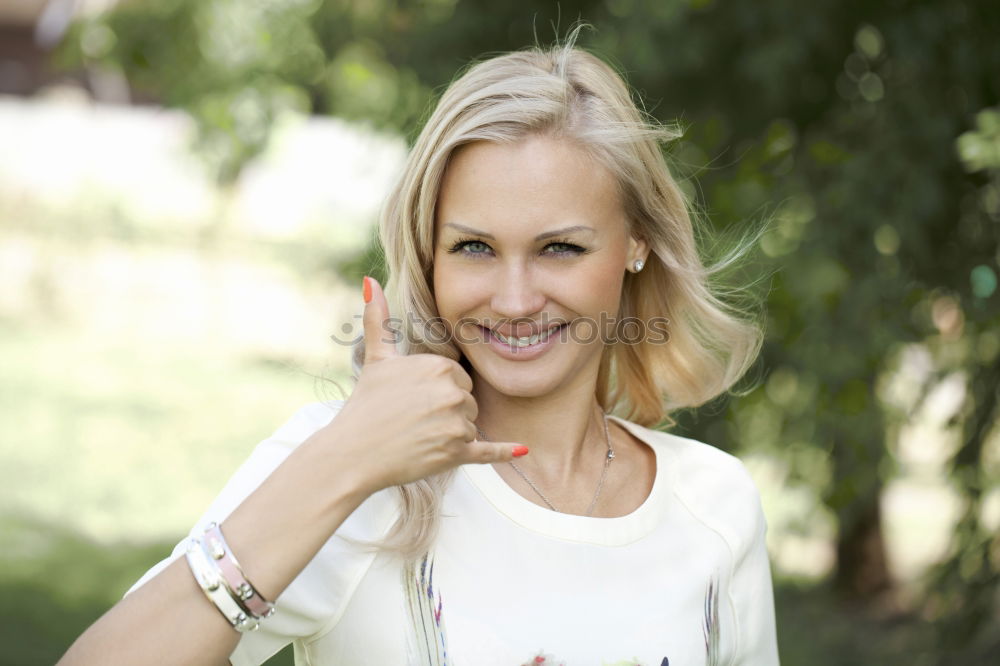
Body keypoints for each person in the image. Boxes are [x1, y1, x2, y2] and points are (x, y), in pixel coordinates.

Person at [60, 25, 779, 666]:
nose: (516, 298)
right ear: (427, 255)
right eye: (473, 247)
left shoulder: (713, 507)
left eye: (559, 248)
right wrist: (345, 461)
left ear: (636, 245)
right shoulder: (345, 468)